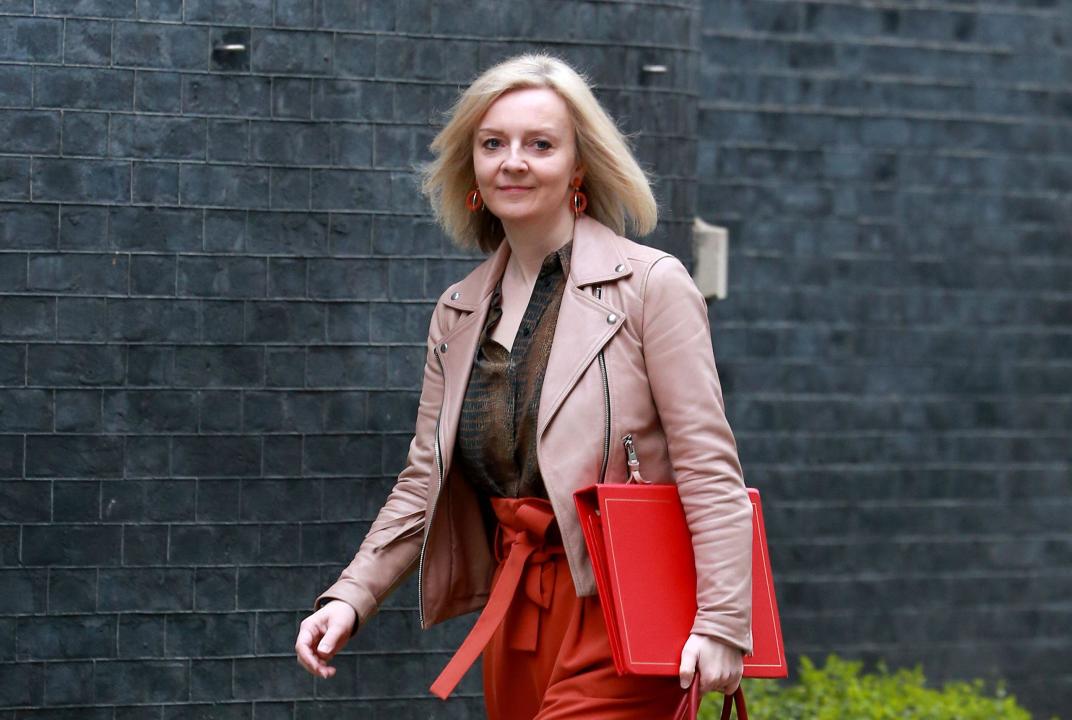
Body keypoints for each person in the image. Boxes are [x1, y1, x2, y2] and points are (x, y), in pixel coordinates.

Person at [294, 52, 753, 719]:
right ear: (473, 167)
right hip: (516, 617)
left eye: (540, 144)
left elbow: (708, 466)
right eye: (493, 143)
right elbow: (424, 478)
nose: (514, 160)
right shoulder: (458, 311)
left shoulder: (651, 287)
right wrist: (350, 594)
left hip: (623, 605)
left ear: (578, 166)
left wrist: (721, 623)